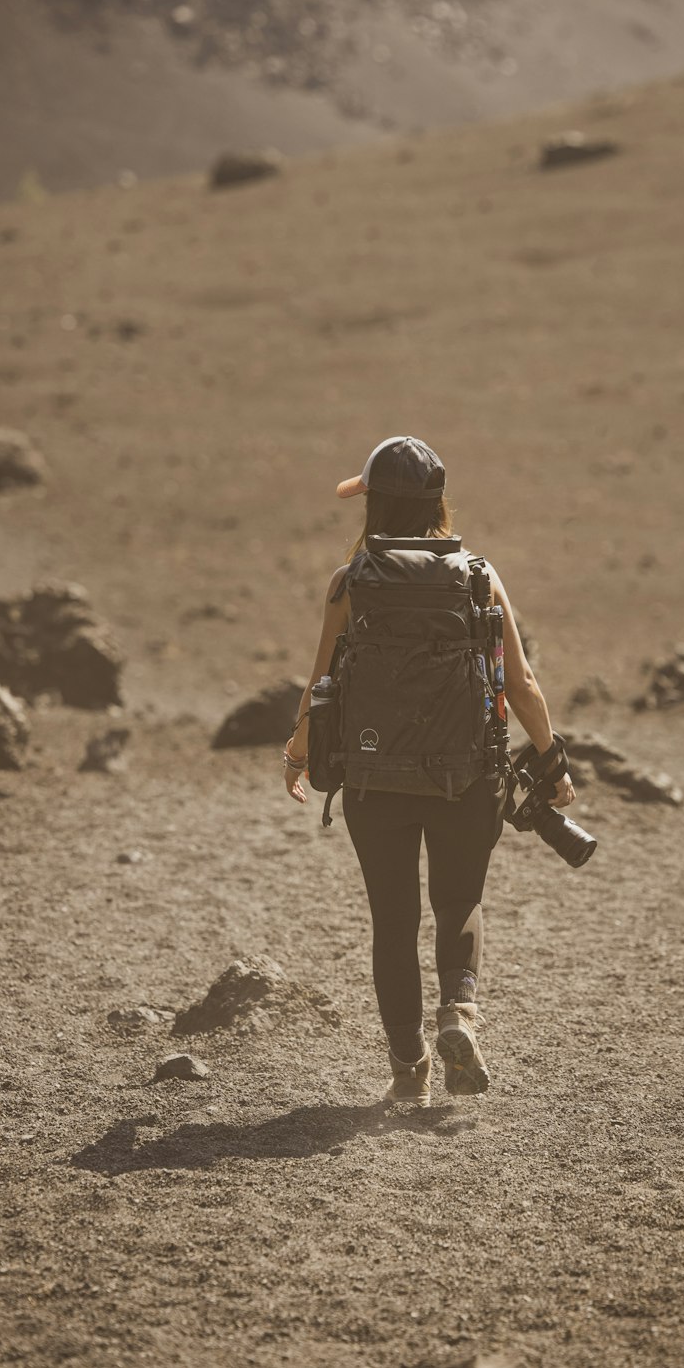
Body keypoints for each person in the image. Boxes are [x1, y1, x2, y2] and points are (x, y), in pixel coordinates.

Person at [283, 435, 575, 1107]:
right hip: (466, 773)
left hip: (374, 777)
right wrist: (552, 758)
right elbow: (521, 681)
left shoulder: (350, 582)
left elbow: (320, 684)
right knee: (459, 902)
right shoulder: (479, 573)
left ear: (374, 505)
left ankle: (408, 1071)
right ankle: (459, 1015)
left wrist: (297, 755)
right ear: (438, 504)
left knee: (393, 920)